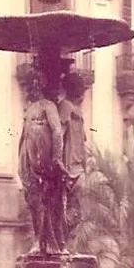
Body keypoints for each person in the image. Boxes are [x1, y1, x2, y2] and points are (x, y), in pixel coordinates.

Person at [18, 65, 76, 255]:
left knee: (48, 202)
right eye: (29, 85)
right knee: (34, 202)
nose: (30, 88)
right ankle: (37, 240)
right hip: (29, 161)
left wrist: (56, 158)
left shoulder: (48, 106)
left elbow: (57, 132)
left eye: (33, 84)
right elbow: (23, 135)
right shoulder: (29, 109)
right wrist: (21, 161)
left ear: (39, 85)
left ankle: (51, 243)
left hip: (46, 162)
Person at [58, 71, 87, 241]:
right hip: (70, 168)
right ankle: (64, 242)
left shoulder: (77, 111)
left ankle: (67, 242)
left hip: (77, 166)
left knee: (75, 208)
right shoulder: (66, 107)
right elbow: (59, 133)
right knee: (70, 207)